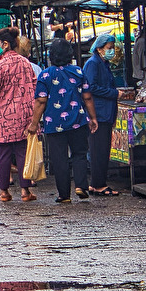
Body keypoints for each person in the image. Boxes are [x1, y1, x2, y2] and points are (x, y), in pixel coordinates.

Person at [28, 38, 99, 204]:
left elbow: (40, 101)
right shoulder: (78, 72)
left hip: (53, 124)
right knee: (79, 154)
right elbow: (87, 97)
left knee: (59, 159)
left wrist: (34, 122)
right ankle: (81, 185)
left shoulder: (45, 75)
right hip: (78, 121)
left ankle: (64, 195)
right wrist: (93, 117)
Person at [0, 26, 38, 202]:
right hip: (24, 115)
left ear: (6, 44)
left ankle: (4, 192)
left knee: (3, 153)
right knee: (23, 152)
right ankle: (25, 191)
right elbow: (35, 86)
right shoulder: (26, 63)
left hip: (3, 116)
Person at [82, 33, 122, 196]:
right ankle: (99, 184)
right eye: (109, 48)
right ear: (99, 49)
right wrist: (113, 93)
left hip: (105, 112)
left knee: (102, 148)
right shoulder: (93, 64)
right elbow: (91, 87)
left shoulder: (103, 63)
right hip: (98, 112)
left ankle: (96, 183)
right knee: (99, 149)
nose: (112, 51)